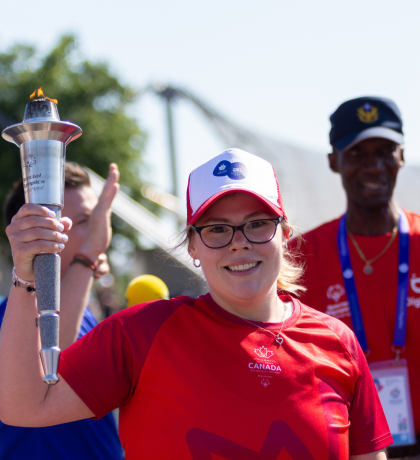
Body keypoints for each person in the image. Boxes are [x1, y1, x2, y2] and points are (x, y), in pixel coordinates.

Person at [0, 148, 392, 459]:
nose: (239, 241)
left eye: (257, 223)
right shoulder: (141, 333)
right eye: (217, 229)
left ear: (283, 233)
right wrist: (27, 276)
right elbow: (24, 406)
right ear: (193, 247)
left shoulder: (337, 341)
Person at [291, 96, 420, 458]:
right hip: (349, 448)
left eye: (385, 151)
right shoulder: (299, 256)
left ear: (402, 156)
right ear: (334, 161)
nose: (374, 166)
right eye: (358, 154)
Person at [0, 162, 123, 460]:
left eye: (97, 218)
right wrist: (88, 256)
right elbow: (51, 367)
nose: (98, 230)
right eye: (84, 221)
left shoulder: (88, 313)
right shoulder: (7, 319)